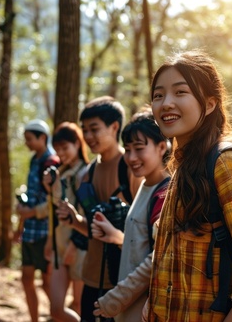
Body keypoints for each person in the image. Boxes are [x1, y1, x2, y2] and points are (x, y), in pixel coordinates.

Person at [143, 50, 232, 322]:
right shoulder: (184, 167)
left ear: (209, 104)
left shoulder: (223, 164)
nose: (166, 103)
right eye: (158, 95)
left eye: (180, 92)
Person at [56, 96, 144, 322]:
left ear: (114, 127)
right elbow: (94, 231)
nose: (88, 136)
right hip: (92, 276)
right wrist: (74, 220)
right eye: (84, 130)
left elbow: (144, 234)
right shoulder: (88, 173)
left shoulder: (131, 167)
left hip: (123, 280)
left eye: (94, 129)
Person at [90, 108, 171, 321]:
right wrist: (115, 237)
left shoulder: (164, 194)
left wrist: (117, 298)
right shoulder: (146, 185)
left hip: (144, 310)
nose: (131, 157)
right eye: (127, 149)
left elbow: (158, 257)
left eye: (139, 148)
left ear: (162, 147)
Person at [41, 122, 90, 322]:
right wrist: (50, 240)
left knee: (79, 304)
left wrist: (75, 243)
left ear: (77, 144)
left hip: (80, 247)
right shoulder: (59, 173)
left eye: (65, 148)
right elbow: (54, 209)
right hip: (59, 245)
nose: (61, 153)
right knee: (56, 308)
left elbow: (87, 212)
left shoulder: (87, 173)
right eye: (58, 149)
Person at [13, 119, 60, 322]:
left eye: (30, 139)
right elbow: (31, 196)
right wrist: (20, 226)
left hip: (45, 233)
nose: (27, 144)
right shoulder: (34, 160)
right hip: (29, 232)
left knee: (47, 282)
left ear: (43, 138)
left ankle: (59, 317)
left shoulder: (51, 162)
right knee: (26, 279)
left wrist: (31, 213)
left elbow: (55, 201)